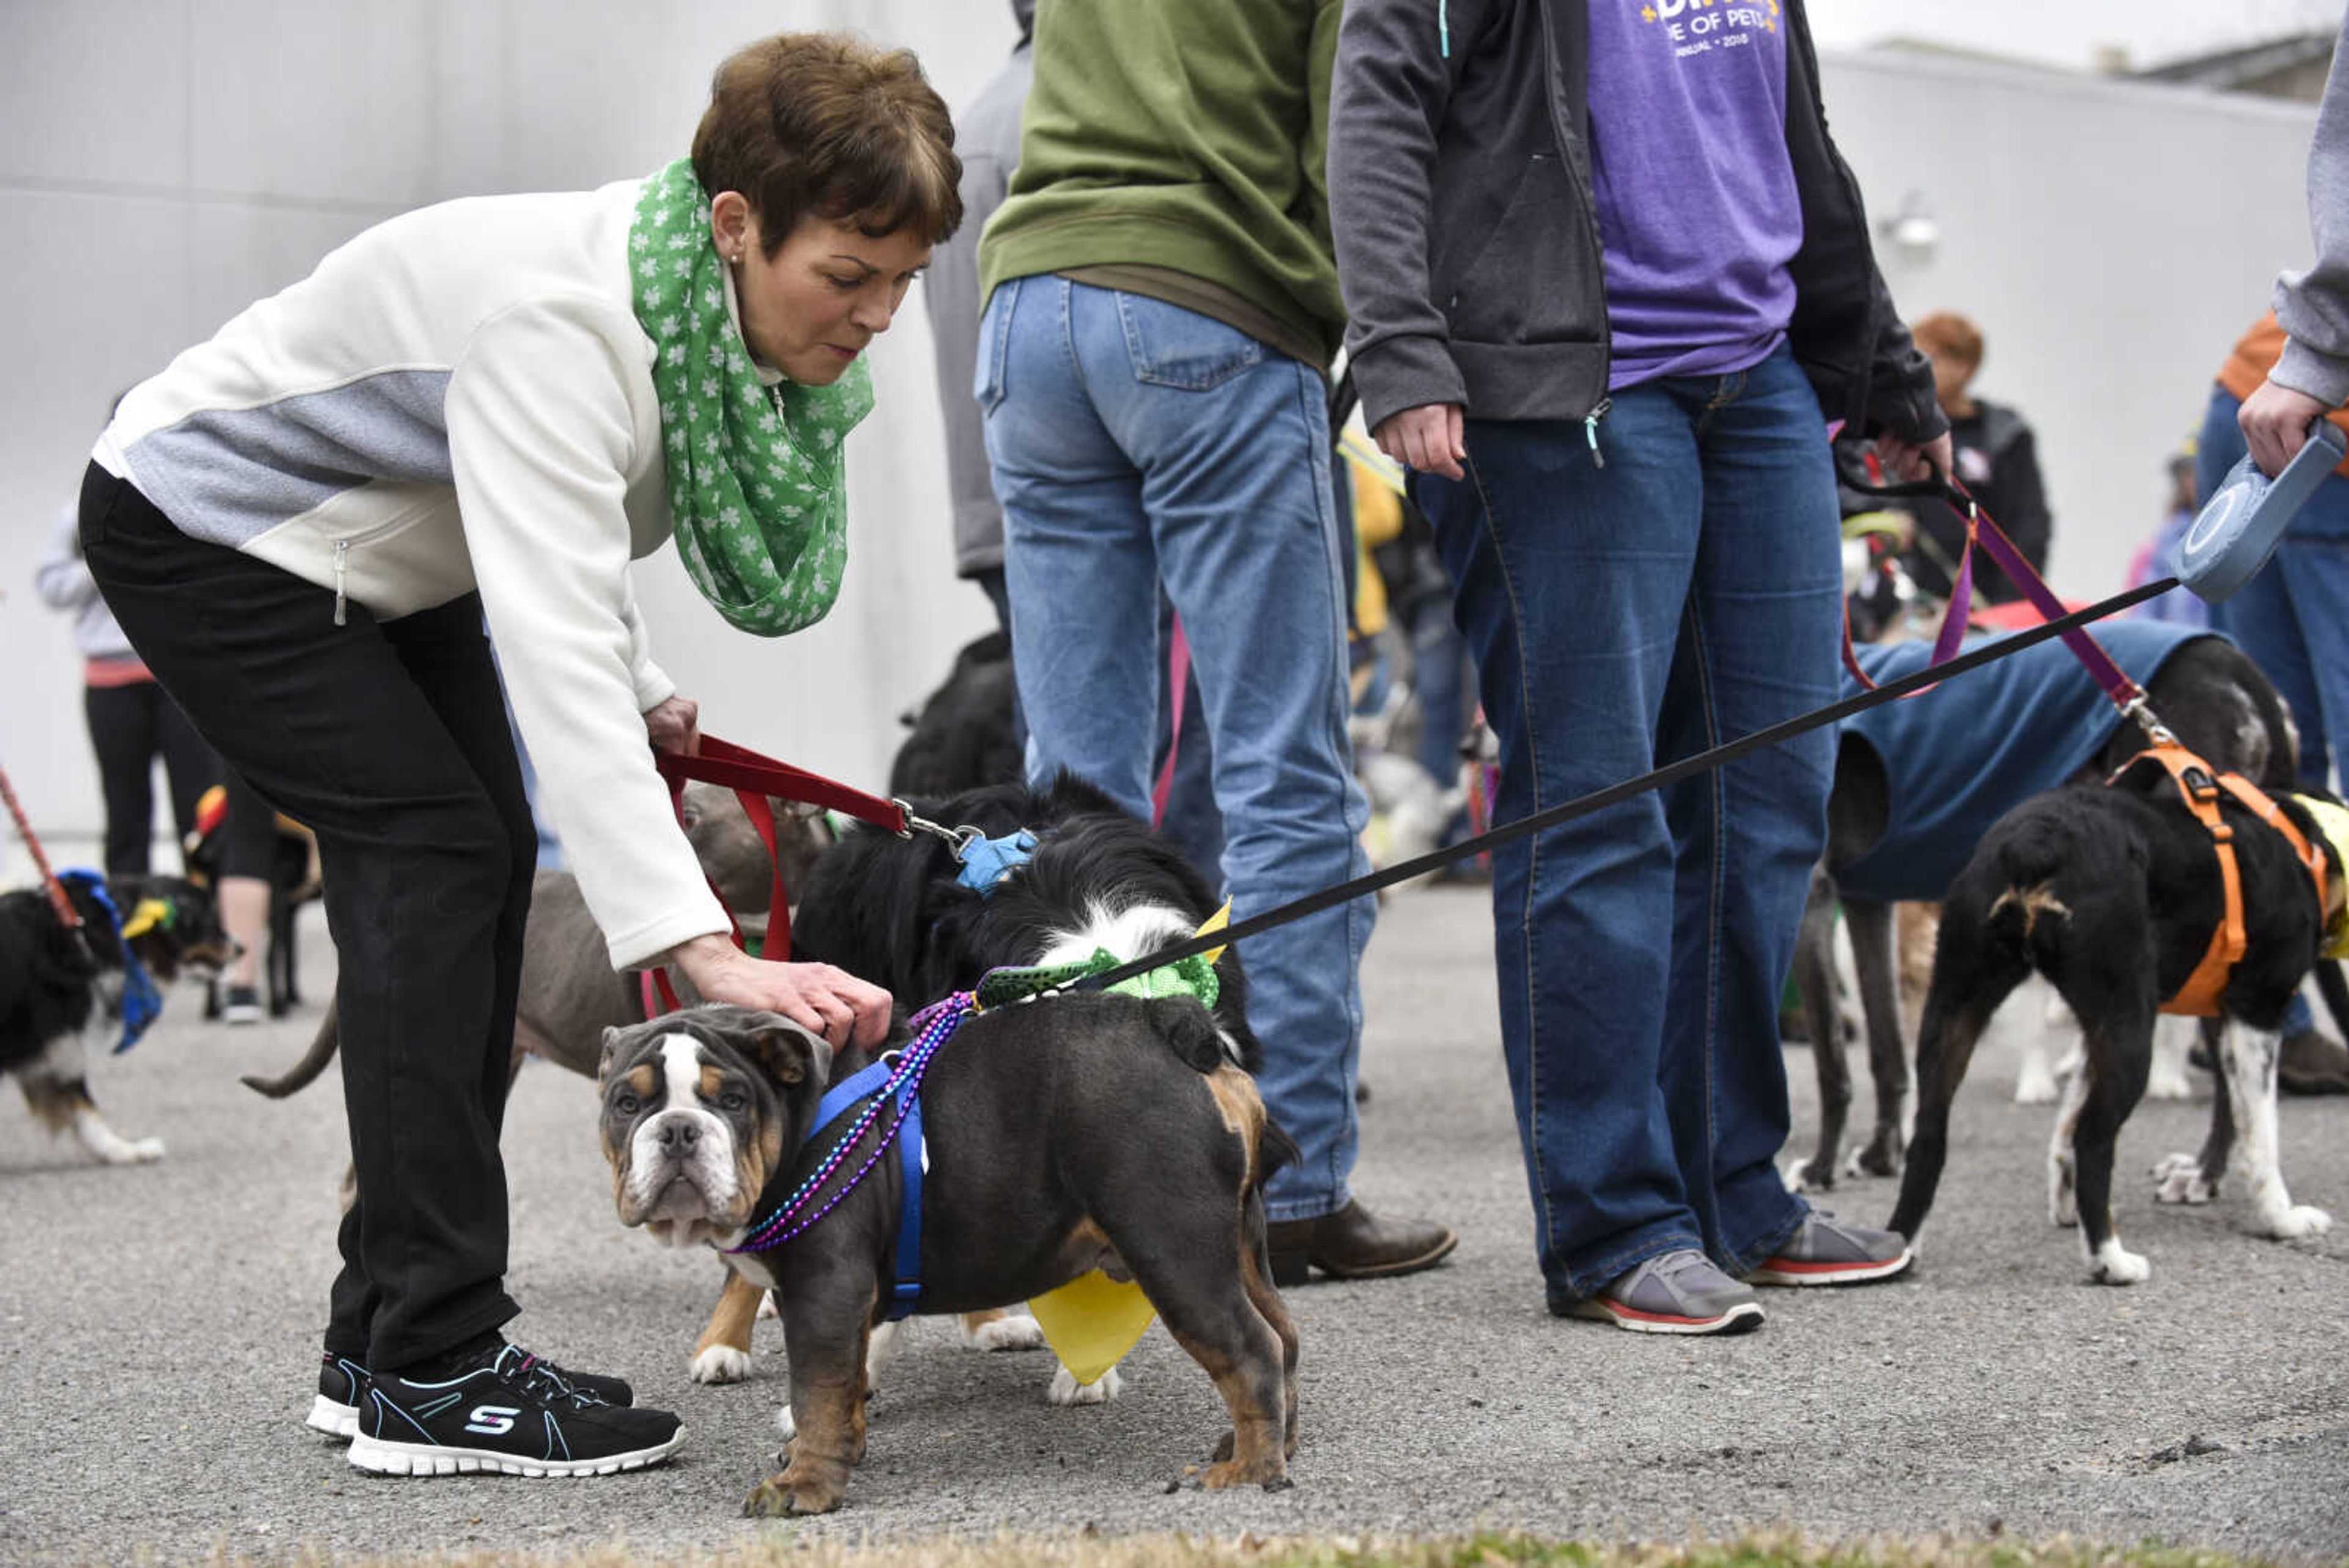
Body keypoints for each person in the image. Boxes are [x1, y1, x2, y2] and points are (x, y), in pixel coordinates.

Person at [77, 31, 934, 1476]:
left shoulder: (675, 298)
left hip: (396, 555)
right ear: (736, 226)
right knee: (441, 848)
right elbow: (551, 656)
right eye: (846, 276)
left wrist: (646, 674)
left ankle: (383, 1344)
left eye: (902, 280)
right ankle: (432, 1358)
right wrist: (703, 954)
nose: (876, 317)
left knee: (461, 861)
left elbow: (562, 526)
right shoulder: (570, 319)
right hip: (216, 530)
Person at [1329, 0, 1950, 1333]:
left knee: (1772, 794)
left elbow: (1797, 146)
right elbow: (1378, 98)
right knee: (1600, 805)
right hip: (1564, 388)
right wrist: (1398, 345)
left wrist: (1886, 365)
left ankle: (1736, 1191)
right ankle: (1614, 1225)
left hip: (1761, 378)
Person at [977, 0, 1455, 1284]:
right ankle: (1299, 1189)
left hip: (1029, 312)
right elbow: (1348, 129)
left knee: (1073, 800)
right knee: (1283, 775)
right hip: (1206, 299)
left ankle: (1081, 1187)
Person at [1896, 311, 2054, 606]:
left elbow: (2029, 525)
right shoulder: (1896, 432)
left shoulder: (2005, 437)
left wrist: (2010, 608)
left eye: (1930, 358)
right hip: (1913, 607)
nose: (1915, 369)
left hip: (1988, 606)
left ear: (1964, 367)